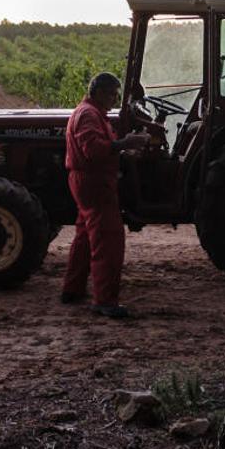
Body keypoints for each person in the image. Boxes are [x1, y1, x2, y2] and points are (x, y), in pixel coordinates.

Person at [61, 72, 148, 318]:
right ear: (98, 92)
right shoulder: (89, 115)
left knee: (85, 235)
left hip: (87, 180)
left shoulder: (91, 113)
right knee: (108, 239)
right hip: (94, 181)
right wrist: (126, 143)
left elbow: (102, 148)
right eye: (111, 94)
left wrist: (122, 150)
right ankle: (105, 301)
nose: (114, 99)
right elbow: (93, 150)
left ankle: (72, 289)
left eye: (116, 95)